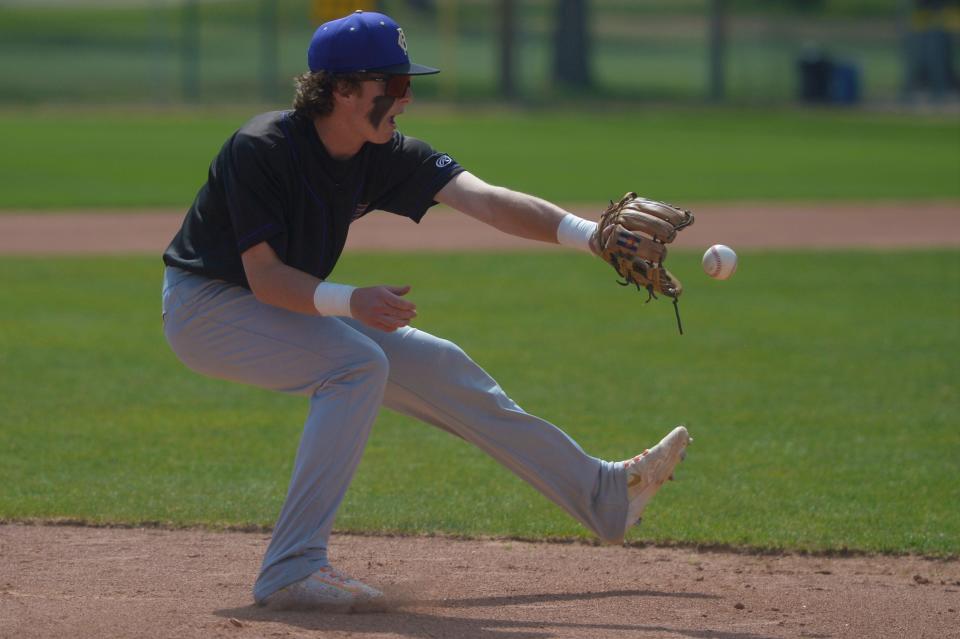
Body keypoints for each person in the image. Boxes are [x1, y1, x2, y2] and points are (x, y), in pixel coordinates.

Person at [161, 10, 691, 612]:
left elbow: (487, 201)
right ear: (340, 89)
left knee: (437, 364)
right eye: (395, 85)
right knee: (356, 364)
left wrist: (588, 234)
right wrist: (350, 300)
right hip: (205, 308)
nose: (406, 99)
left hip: (287, 306)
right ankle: (292, 567)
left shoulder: (381, 152)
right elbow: (264, 279)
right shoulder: (261, 148)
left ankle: (603, 495)